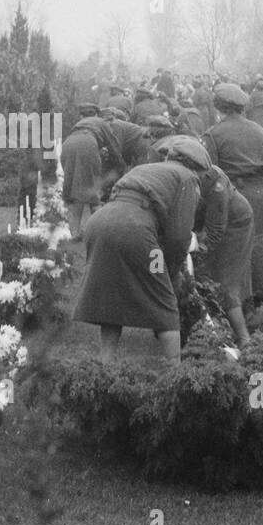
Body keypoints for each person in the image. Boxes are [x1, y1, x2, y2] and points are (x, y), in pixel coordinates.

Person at [71, 141, 206, 362]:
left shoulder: (146, 168)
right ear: (196, 167)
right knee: (165, 300)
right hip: (135, 231)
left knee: (111, 296)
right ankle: (177, 372)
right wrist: (172, 270)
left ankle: (105, 363)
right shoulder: (187, 178)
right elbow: (179, 236)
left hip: (100, 224)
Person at [153, 134, 256, 348]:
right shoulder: (178, 173)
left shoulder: (216, 183)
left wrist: (197, 255)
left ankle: (244, 338)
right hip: (203, 226)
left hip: (235, 225)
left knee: (224, 281)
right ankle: (201, 330)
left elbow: (216, 229)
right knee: (201, 276)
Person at [203, 83, 263, 330]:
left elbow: (212, 174)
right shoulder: (259, 130)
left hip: (236, 195)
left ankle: (240, 309)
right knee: (262, 250)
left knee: (234, 252)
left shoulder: (213, 134)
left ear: (218, 106)